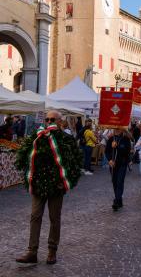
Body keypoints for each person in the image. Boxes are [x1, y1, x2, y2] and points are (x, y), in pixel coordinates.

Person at [16, 111, 82, 265]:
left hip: (56, 186)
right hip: (38, 185)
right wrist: (30, 178)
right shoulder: (37, 137)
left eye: (52, 119)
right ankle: (32, 251)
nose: (49, 121)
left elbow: (75, 163)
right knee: (35, 216)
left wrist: (65, 181)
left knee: (54, 218)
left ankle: (52, 250)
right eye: (47, 119)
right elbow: (26, 157)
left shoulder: (66, 139)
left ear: (60, 121)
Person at [105, 128, 131, 211]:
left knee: (120, 181)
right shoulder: (110, 139)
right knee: (114, 182)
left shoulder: (126, 139)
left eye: (118, 129)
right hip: (113, 165)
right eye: (115, 129)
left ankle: (116, 201)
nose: (117, 130)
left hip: (122, 164)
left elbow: (127, 151)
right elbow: (107, 151)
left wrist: (117, 146)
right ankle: (119, 199)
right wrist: (109, 160)